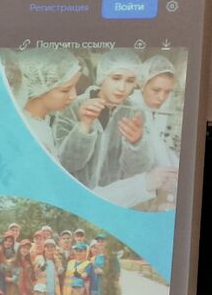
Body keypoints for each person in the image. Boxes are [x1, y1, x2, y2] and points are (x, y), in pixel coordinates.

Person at [52, 49, 155, 200]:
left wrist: (136, 143)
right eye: (116, 78)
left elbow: (137, 170)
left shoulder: (135, 113)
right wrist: (84, 126)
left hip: (112, 200)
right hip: (74, 196)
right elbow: (66, 164)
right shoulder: (73, 107)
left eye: (130, 81)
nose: (122, 87)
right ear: (102, 77)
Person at [12, 47, 82, 153]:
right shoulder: (29, 133)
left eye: (75, 87)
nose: (74, 95)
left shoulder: (41, 121)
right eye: (65, 90)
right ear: (38, 88)